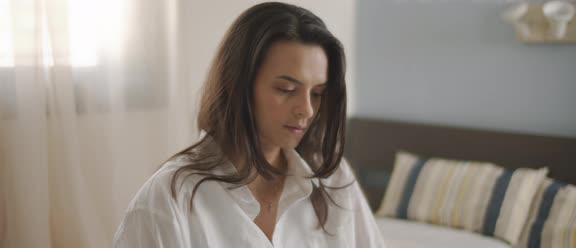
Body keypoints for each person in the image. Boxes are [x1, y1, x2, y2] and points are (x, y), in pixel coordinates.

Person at [113, 2, 385, 247]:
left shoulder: (333, 180)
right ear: (239, 86)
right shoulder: (169, 200)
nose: (307, 109)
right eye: (286, 88)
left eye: (317, 94)